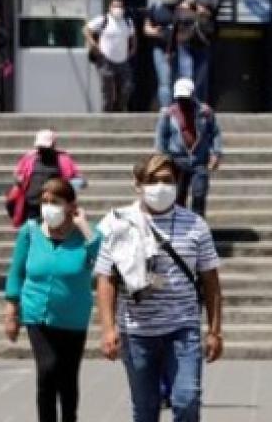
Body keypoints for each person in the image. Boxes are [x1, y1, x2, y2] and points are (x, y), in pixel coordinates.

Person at [95, 153, 225, 422]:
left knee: (187, 400)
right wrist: (108, 328)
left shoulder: (196, 225)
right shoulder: (118, 223)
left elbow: (211, 281)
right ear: (138, 184)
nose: (160, 187)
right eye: (152, 181)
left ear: (177, 183)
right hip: (137, 332)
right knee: (145, 408)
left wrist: (214, 331)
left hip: (183, 329)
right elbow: (106, 278)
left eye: (167, 180)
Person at [4, 178, 102, 422]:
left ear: (71, 205)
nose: (48, 207)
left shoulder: (86, 237)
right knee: (47, 371)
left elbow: (105, 262)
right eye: (44, 202)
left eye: (55, 202)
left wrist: (84, 226)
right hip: (37, 314)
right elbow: (16, 272)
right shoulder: (30, 232)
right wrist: (11, 312)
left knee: (68, 378)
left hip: (73, 318)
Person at [155, 79, 222, 217]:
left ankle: (198, 226)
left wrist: (216, 154)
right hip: (177, 159)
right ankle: (179, 227)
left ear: (192, 95)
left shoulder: (205, 112)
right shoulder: (169, 114)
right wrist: (162, 157)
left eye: (185, 98)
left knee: (199, 193)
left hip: (199, 159)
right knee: (178, 196)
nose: (182, 101)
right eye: (180, 98)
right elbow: (161, 137)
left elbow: (215, 133)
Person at [9, 129, 83, 228]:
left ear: (53, 145)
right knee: (32, 234)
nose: (42, 150)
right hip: (32, 206)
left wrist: (73, 185)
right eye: (40, 147)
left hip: (53, 207)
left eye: (45, 147)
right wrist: (19, 179)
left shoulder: (63, 159)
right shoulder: (29, 158)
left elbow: (76, 178)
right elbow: (18, 174)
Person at [86, 0, 137, 112]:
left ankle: (119, 110)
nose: (118, 9)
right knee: (107, 92)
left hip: (123, 60)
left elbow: (133, 36)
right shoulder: (103, 20)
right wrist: (94, 44)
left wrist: (133, 47)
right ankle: (107, 116)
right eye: (115, 6)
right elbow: (86, 29)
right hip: (105, 60)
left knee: (126, 88)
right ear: (110, 8)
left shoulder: (128, 22)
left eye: (120, 6)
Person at [173, 0, 216, 104]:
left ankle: (200, 104)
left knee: (201, 78)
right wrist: (169, 50)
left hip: (201, 45)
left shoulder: (204, 7)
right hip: (185, 45)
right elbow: (175, 28)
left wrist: (204, 13)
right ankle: (186, 104)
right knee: (187, 74)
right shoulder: (178, 9)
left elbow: (211, 23)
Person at [145, 0, 179, 109]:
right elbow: (146, 28)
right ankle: (166, 108)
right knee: (165, 80)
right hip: (160, 49)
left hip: (179, 50)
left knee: (178, 81)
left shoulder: (179, 8)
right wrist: (155, 32)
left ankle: (178, 108)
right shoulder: (155, 8)